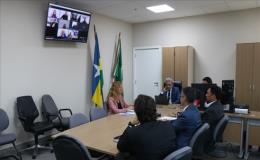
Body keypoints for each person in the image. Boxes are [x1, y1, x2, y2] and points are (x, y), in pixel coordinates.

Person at [117, 95, 177, 160]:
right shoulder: (168, 125)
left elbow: (120, 146)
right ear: (155, 110)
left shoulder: (133, 132)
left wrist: (131, 125)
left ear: (137, 113)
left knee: (119, 156)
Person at [201, 85, 224, 151]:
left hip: (207, 136)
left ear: (213, 96)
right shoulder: (218, 105)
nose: (205, 95)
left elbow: (201, 124)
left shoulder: (212, 110)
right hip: (210, 132)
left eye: (207, 93)